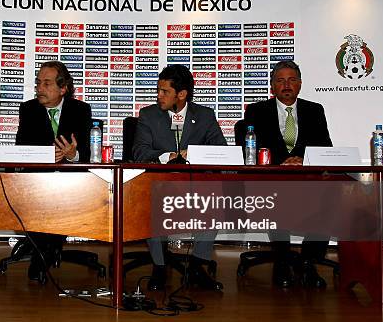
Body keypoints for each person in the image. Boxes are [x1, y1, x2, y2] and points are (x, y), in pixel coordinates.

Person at [132, 64, 226, 291]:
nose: (159, 96)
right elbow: (139, 152)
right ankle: (160, 266)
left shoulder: (204, 115)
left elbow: (221, 150)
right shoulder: (148, 115)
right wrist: (168, 156)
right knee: (152, 199)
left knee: (213, 198)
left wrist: (196, 153)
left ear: (181, 94)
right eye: (158, 90)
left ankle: (197, 265)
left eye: (165, 92)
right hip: (160, 184)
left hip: (194, 186)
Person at [243, 60, 333, 288]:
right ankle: (282, 261)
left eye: (292, 80)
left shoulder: (315, 110)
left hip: (307, 179)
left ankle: (308, 262)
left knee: (331, 196)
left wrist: (302, 159)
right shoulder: (257, 111)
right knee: (275, 194)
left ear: (300, 84)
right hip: (272, 178)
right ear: (272, 86)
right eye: (280, 81)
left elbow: (325, 147)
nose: (286, 85)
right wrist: (281, 162)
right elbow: (250, 149)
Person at [15, 60, 92, 281]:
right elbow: (22, 146)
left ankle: (45, 252)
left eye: (46, 83)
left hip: (72, 180)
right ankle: (44, 251)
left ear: (63, 88)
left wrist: (72, 155)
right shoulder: (29, 109)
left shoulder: (80, 110)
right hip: (39, 179)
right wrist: (45, 156)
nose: (40, 88)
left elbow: (87, 151)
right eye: (38, 83)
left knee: (63, 195)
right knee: (36, 194)